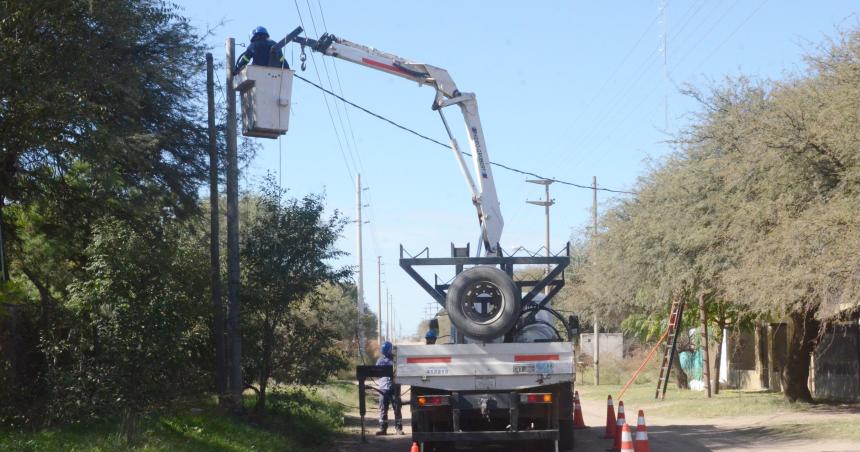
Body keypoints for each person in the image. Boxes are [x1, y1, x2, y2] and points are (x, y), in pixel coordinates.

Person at [375, 341, 403, 435]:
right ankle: (383, 429)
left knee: (397, 408)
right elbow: (376, 372)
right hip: (383, 388)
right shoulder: (380, 361)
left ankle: (398, 429)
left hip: (394, 387)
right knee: (383, 408)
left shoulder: (396, 360)